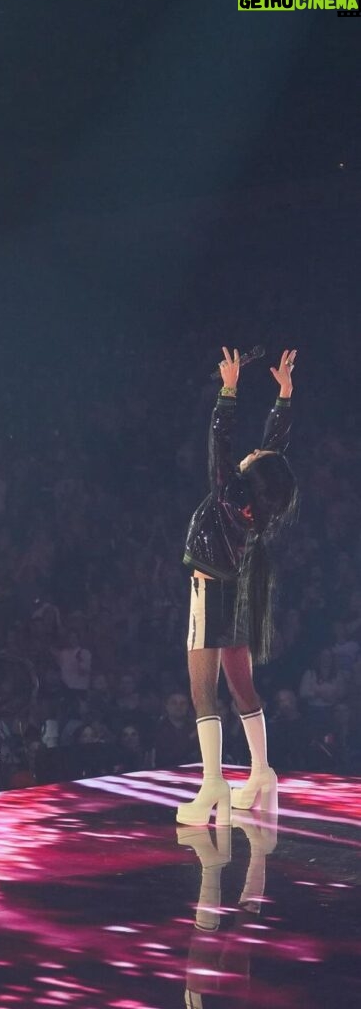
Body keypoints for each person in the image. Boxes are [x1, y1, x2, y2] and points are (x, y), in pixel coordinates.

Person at [178, 348, 298, 826]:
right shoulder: (260, 497)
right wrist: (283, 397)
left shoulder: (231, 490)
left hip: (212, 590)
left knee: (202, 691)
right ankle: (262, 772)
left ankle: (212, 786)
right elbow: (275, 451)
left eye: (256, 456)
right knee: (242, 687)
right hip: (239, 592)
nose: (256, 450)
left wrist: (228, 391)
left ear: (249, 474)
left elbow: (219, 440)